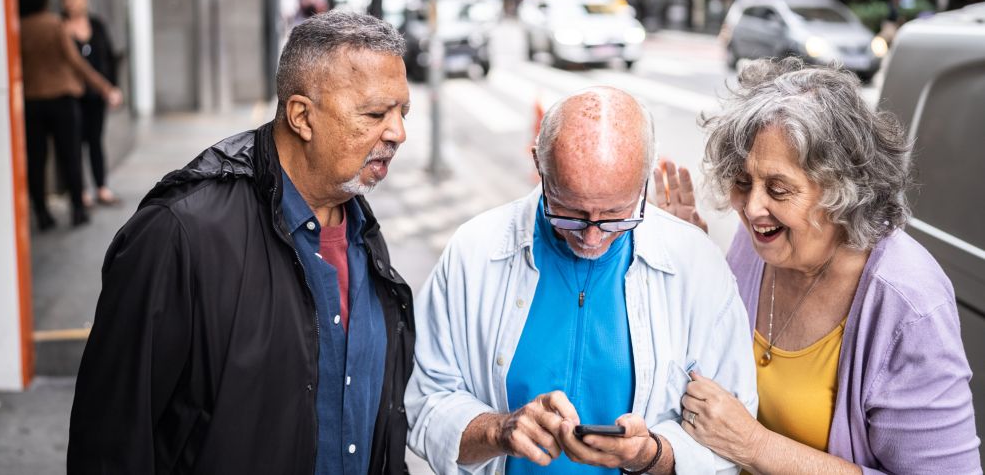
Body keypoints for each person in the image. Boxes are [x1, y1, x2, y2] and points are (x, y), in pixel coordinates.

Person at [68, 12, 416, 474]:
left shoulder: (360, 231)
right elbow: (111, 443)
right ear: (301, 116)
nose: (397, 133)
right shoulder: (179, 233)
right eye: (375, 114)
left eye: (402, 113)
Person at [406, 87, 757, 475]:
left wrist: (652, 455)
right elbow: (424, 397)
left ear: (645, 179)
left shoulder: (697, 265)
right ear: (539, 164)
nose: (592, 237)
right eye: (570, 212)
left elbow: (732, 438)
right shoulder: (473, 251)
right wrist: (497, 432)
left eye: (615, 215)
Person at [657, 58, 981, 473]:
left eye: (778, 188)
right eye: (742, 182)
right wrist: (694, 265)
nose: (753, 208)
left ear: (841, 190)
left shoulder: (910, 305)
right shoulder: (758, 242)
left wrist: (753, 444)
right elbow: (711, 360)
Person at [17, 0, 122, 230]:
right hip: (62, 99)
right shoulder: (55, 24)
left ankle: (41, 212)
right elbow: (77, 63)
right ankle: (77, 209)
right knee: (71, 154)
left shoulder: (18, 28)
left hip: (31, 102)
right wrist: (105, 88)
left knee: (36, 159)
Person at [61, 0, 121, 207]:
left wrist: (112, 87)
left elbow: (109, 56)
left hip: (96, 95)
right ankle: (80, 191)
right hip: (72, 95)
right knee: (73, 144)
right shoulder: (61, 27)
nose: (70, 1)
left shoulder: (96, 24)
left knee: (95, 140)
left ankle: (101, 186)